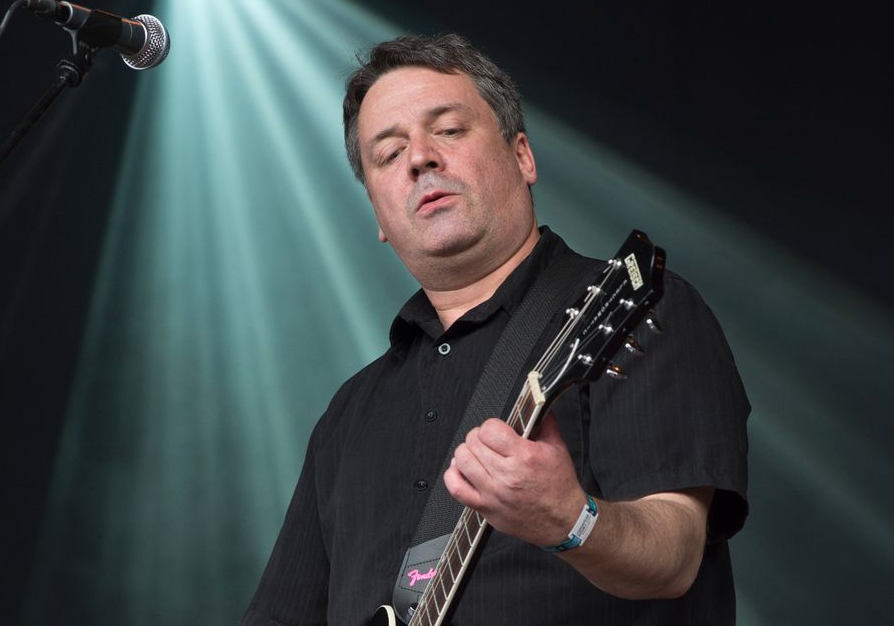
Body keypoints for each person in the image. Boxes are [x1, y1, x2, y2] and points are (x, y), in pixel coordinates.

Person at [240, 33, 749, 625]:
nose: (420, 158)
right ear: (377, 215)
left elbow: (675, 554)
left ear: (522, 157)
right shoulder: (347, 416)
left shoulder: (636, 311)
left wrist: (571, 520)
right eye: (388, 153)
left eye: (449, 130)